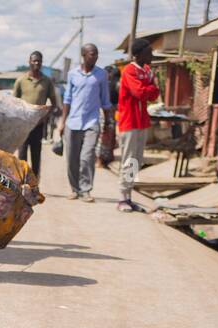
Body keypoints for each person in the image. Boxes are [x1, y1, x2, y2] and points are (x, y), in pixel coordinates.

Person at [56, 43, 111, 202]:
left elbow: (105, 101)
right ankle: (75, 189)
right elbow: (67, 100)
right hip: (72, 122)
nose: (95, 57)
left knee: (87, 157)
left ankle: (86, 190)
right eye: (92, 54)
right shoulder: (73, 74)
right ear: (84, 55)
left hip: (91, 122)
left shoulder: (101, 75)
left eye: (96, 54)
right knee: (72, 158)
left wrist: (108, 122)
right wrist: (62, 122)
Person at [116, 39, 160, 212]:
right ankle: (122, 197)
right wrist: (149, 86)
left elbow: (154, 94)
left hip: (142, 122)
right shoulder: (129, 70)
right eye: (149, 52)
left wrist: (149, 87)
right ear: (139, 54)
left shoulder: (147, 70)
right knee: (128, 160)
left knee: (137, 160)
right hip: (129, 121)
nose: (152, 55)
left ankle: (128, 196)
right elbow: (139, 92)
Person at [12, 50, 57, 178]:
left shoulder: (46, 81)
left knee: (36, 155)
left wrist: (45, 116)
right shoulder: (21, 80)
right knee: (22, 157)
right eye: (34, 60)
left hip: (38, 126)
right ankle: (22, 183)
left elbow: (54, 103)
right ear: (29, 62)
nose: (36, 63)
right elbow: (13, 102)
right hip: (24, 125)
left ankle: (34, 184)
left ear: (42, 63)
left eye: (39, 61)